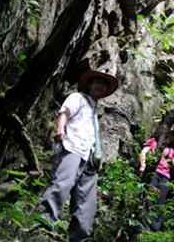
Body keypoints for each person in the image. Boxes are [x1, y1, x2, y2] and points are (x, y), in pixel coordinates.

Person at [38, 69, 118, 241]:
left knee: (86, 205)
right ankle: (43, 226)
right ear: (89, 84)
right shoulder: (78, 98)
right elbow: (65, 112)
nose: (100, 87)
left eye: (104, 85)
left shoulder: (95, 110)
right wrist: (60, 130)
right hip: (72, 148)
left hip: (89, 158)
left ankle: (78, 237)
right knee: (61, 186)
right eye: (97, 83)